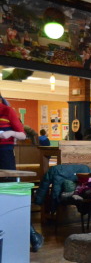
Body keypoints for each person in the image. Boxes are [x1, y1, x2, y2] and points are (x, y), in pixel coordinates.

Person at [0, 96, 43, 252]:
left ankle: (33, 236)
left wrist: (9, 133)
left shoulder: (7, 111)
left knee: (11, 195)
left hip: (5, 154)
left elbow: (22, 134)